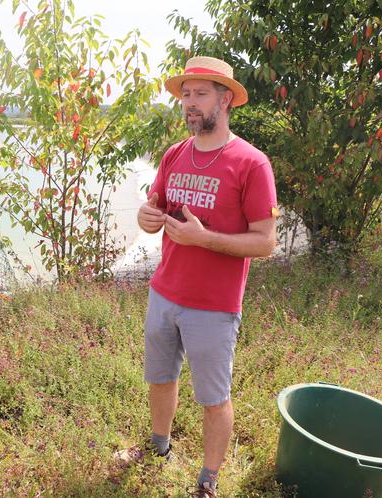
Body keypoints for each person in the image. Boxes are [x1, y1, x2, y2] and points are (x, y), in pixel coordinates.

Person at [136, 56, 279, 497]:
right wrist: (146, 217)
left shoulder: (251, 163)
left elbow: (266, 242)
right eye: (185, 94)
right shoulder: (174, 154)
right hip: (164, 292)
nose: (189, 103)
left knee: (213, 397)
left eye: (200, 93)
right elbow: (153, 210)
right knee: (161, 376)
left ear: (226, 100)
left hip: (214, 306)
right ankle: (159, 448)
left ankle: (208, 479)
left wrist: (205, 238)